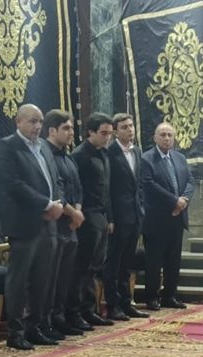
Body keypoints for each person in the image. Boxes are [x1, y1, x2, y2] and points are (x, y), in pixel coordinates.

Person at [0, 104, 64, 350]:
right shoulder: (7, 146)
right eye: (32, 121)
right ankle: (16, 331)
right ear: (18, 122)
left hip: (49, 224)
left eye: (40, 121)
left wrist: (59, 203)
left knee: (43, 279)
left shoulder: (43, 146)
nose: (37, 126)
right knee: (20, 279)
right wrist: (46, 204)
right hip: (24, 224)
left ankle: (35, 327)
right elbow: (13, 184)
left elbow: (56, 180)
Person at [41, 109, 89, 338]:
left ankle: (60, 317)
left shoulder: (68, 156)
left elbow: (78, 187)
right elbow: (55, 190)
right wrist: (72, 213)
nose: (71, 132)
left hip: (71, 226)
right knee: (50, 278)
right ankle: (47, 321)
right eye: (67, 128)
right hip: (56, 224)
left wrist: (77, 211)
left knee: (66, 277)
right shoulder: (45, 154)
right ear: (52, 130)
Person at [140, 123, 193, 310]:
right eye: (163, 135)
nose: (167, 138)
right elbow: (149, 185)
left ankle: (170, 295)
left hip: (177, 218)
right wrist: (174, 201)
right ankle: (152, 297)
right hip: (157, 219)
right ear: (155, 138)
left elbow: (190, 181)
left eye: (170, 135)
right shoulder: (147, 159)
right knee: (154, 261)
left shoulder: (179, 158)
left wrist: (183, 200)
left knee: (173, 260)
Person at [71, 113, 116, 327]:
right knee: (82, 267)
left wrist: (110, 217)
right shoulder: (79, 155)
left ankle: (89, 309)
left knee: (94, 267)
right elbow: (76, 188)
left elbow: (107, 190)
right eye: (103, 133)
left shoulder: (104, 154)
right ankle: (76, 312)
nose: (107, 137)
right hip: (87, 215)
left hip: (102, 215)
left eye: (110, 133)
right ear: (90, 132)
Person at [103, 113, 149, 319]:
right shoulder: (109, 152)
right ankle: (112, 305)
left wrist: (141, 209)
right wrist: (110, 217)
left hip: (135, 215)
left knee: (127, 263)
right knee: (114, 263)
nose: (129, 130)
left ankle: (126, 302)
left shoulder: (137, 151)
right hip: (118, 216)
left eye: (131, 126)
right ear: (115, 131)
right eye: (124, 127)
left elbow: (139, 184)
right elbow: (107, 189)